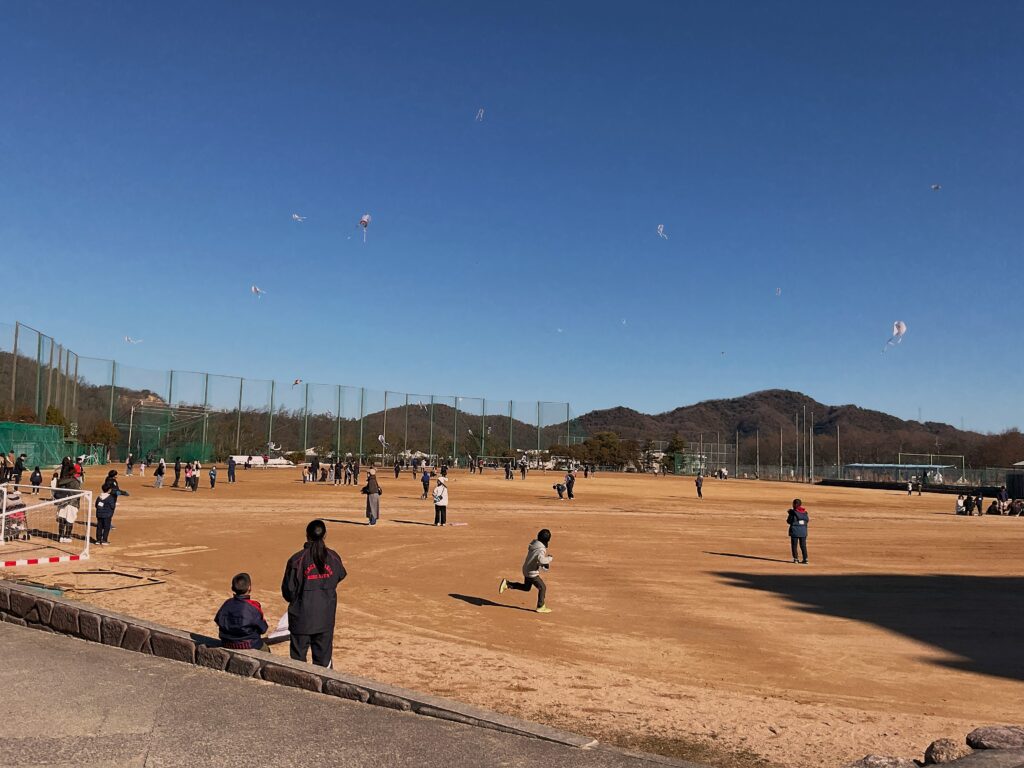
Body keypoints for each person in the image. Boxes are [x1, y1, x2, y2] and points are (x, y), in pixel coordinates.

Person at [281, 519, 347, 667]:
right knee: (323, 663)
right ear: (325, 535)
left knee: (298, 665)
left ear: (307, 535)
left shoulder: (297, 560)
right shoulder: (333, 557)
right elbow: (339, 575)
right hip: (324, 617)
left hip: (301, 618)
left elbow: (288, 592)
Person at [498, 529, 553, 613]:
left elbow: (536, 558)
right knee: (542, 587)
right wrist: (549, 558)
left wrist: (542, 564)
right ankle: (540, 606)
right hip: (531, 573)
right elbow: (541, 559)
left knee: (526, 587)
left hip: (526, 569)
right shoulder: (541, 549)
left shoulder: (535, 544)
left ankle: (508, 584)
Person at [214, 572, 269, 652]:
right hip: (248, 645)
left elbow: (217, 620)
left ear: (232, 588)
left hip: (226, 643)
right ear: (249, 588)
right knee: (266, 650)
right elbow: (263, 629)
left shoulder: (227, 603)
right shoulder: (253, 607)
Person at [95, 470, 127, 546]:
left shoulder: (99, 497)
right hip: (107, 513)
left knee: (99, 526)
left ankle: (98, 540)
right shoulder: (110, 496)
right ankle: (104, 540)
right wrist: (122, 493)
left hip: (99, 514)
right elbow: (112, 506)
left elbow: (96, 505)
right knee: (106, 527)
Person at [787, 498, 809, 564]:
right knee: (803, 545)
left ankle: (796, 559)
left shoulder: (792, 512)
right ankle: (805, 559)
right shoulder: (805, 512)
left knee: (794, 545)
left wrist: (790, 514)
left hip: (795, 531)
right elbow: (807, 521)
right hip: (803, 531)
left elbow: (789, 521)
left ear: (794, 504)